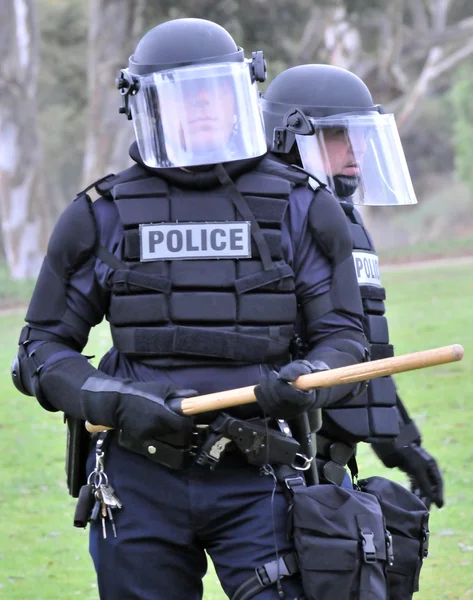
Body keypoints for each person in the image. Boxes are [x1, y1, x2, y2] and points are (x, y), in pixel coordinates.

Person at [11, 20, 370, 600]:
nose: (201, 107)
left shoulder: (304, 207)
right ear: (145, 106)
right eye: (183, 94)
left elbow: (346, 341)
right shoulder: (101, 213)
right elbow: (40, 351)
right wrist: (117, 399)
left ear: (240, 95)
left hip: (261, 473)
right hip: (136, 479)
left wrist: (309, 381)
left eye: (214, 92)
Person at [260, 64, 443, 597]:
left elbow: (366, 351)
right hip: (274, 463)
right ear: (289, 136)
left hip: (328, 460)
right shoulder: (273, 219)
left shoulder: (345, 217)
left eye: (360, 133)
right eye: (337, 133)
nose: (355, 148)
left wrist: (402, 442)